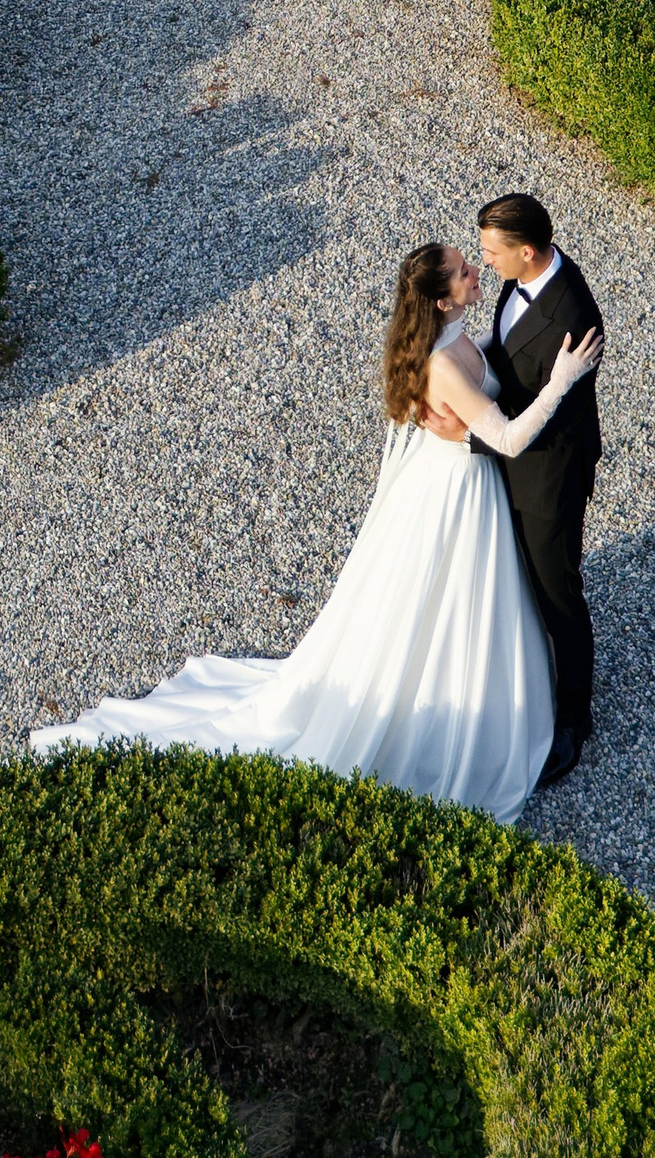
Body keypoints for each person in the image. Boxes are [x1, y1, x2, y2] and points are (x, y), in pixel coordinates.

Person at [30, 236, 600, 823]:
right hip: (456, 493)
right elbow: (505, 437)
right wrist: (561, 380)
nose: (475, 271)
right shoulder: (439, 366)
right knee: (442, 602)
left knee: (463, 603)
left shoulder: (452, 340)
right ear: (438, 300)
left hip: (465, 486)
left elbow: (476, 362)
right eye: (461, 271)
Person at [473, 190, 604, 783]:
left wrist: (473, 423)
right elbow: (505, 350)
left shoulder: (572, 317)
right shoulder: (523, 279)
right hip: (511, 454)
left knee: (559, 596)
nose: (485, 263)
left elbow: (549, 417)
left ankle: (574, 721)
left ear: (527, 251)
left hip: (546, 475)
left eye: (492, 253)